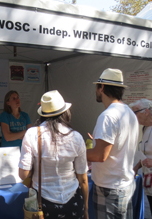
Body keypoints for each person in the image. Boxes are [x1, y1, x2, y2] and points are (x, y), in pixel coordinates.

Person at [19, 90, 89, 219]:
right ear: (65, 112)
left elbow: (23, 174)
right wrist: (85, 209)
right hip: (73, 202)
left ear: (42, 114)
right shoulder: (76, 137)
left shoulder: (32, 134)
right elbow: (83, 180)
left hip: (43, 204)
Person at [87, 68, 139, 219]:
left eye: (97, 86)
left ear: (101, 87)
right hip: (123, 184)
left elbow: (99, 155)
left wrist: (74, 150)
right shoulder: (128, 112)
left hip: (110, 188)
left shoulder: (108, 116)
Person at [130, 99, 152, 219]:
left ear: (146, 111)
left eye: (135, 113)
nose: (133, 116)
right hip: (151, 185)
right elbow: (145, 153)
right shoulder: (145, 128)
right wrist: (136, 167)